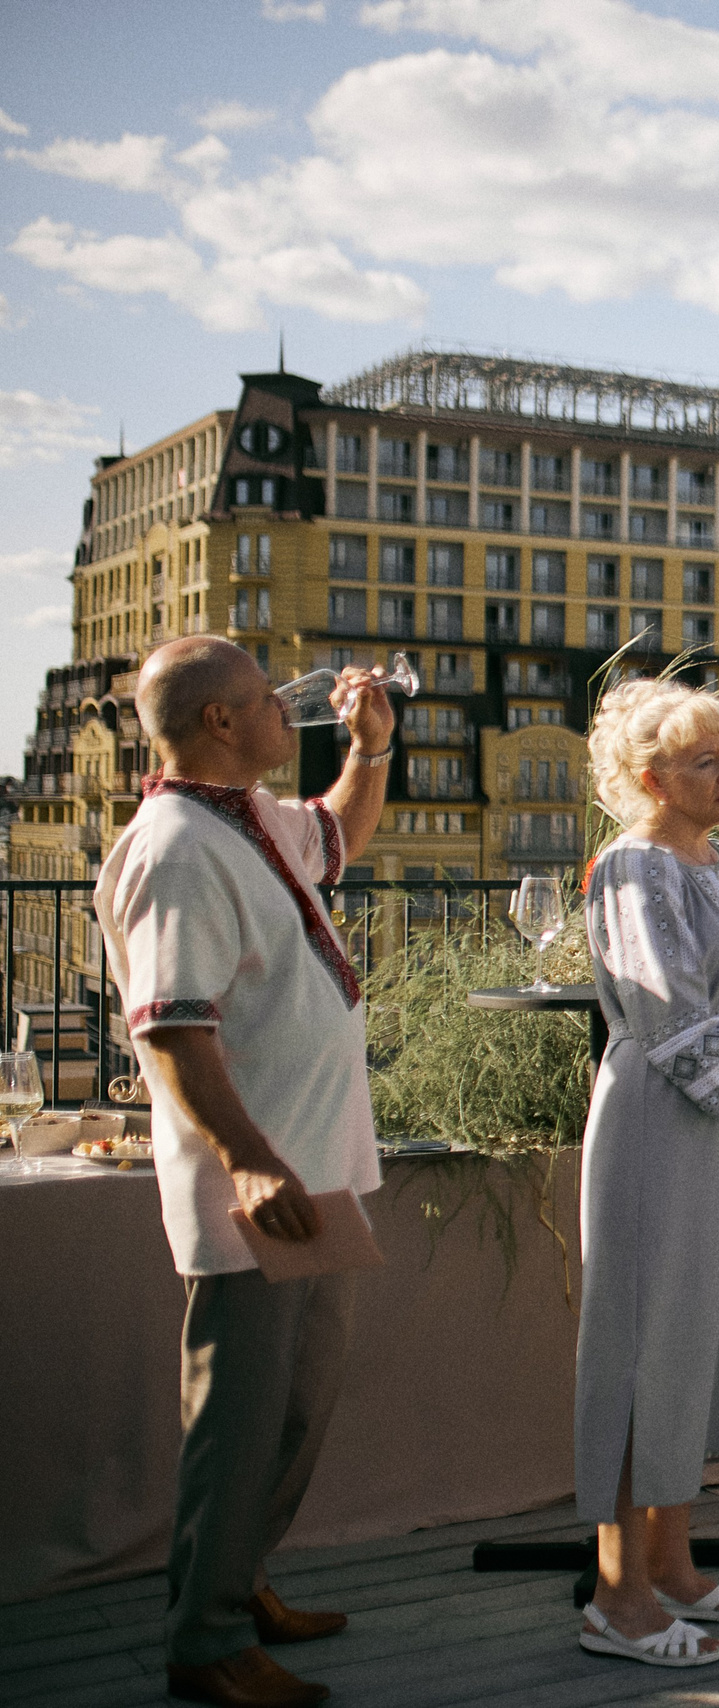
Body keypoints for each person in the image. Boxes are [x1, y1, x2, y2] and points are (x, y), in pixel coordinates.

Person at [96, 637, 391, 1708]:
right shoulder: (176, 845)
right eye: (269, 700)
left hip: (313, 1172)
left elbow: (340, 834)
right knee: (242, 1415)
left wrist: (371, 751)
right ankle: (207, 1639)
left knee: (296, 1404)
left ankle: (241, 1582)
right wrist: (251, 1160)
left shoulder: (245, 819)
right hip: (260, 1184)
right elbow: (173, 1028)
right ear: (219, 723)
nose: (286, 712)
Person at [574, 679, 719, 1669]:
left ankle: (671, 1565)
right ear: (648, 778)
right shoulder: (631, 868)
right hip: (665, 1125)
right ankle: (617, 1600)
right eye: (705, 759)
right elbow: (670, 1019)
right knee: (646, 1348)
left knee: (700, 1346)